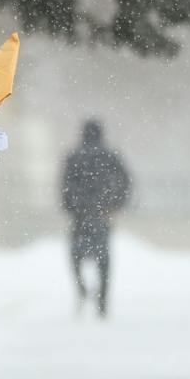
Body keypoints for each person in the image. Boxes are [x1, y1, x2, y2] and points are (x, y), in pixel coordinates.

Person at [59, 118, 130, 317]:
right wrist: (116, 204)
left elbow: (64, 184)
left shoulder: (73, 156)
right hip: (102, 214)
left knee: (75, 255)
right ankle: (102, 301)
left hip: (80, 215)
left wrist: (70, 207)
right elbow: (126, 181)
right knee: (104, 258)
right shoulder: (111, 155)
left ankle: (81, 287)